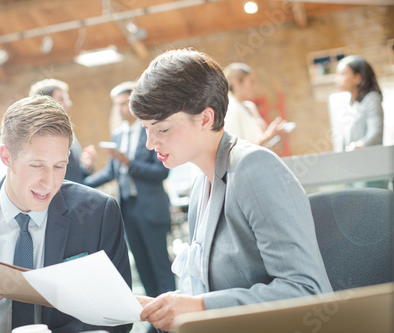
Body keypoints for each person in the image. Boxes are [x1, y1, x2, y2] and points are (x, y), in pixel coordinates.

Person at [129, 49, 332, 331]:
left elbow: (307, 291)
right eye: (146, 129)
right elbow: (216, 284)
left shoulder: (254, 168)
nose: (151, 144)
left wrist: (199, 306)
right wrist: (171, 305)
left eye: (162, 129)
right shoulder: (203, 181)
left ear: (205, 119)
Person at [0, 96, 132, 333]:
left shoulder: (99, 213)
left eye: (59, 165)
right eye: (37, 165)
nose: (49, 182)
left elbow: (120, 316)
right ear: (6, 157)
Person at [83, 82, 176, 300]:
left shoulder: (153, 131)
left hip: (151, 208)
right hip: (128, 211)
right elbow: (110, 171)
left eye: (125, 103)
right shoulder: (117, 135)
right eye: (117, 105)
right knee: (142, 266)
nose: (121, 109)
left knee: (160, 265)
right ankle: (154, 314)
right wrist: (81, 186)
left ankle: (172, 315)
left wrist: (129, 162)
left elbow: (162, 172)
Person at [29, 78, 97, 183]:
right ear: (46, 103)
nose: (69, 103)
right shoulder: (39, 137)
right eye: (62, 99)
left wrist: (87, 167)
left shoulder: (67, 130)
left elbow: (76, 174)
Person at [223, 62, 287, 147]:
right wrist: (269, 135)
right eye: (251, 82)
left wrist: (273, 133)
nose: (254, 87)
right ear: (237, 84)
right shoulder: (231, 109)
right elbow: (236, 148)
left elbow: (259, 138)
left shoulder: (250, 106)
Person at [334, 55, 384, 152]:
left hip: (368, 161)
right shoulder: (352, 104)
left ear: (357, 78)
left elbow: (375, 133)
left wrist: (359, 145)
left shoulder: (371, 99)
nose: (336, 80)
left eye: (342, 74)